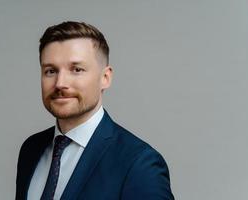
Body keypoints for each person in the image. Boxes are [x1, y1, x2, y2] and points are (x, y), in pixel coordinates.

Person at [16, 21, 174, 200]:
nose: (60, 83)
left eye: (77, 69)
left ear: (105, 78)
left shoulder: (138, 164)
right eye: (50, 71)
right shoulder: (31, 149)